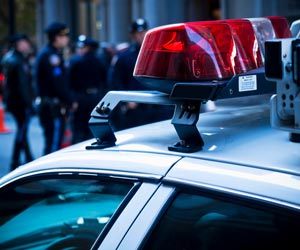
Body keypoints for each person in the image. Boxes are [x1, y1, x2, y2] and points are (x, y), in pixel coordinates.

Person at [107, 18, 172, 130]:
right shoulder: (124, 57)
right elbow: (116, 81)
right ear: (133, 35)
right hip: (136, 107)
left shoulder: (158, 54)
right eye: (139, 33)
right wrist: (126, 101)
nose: (142, 36)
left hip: (157, 106)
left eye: (144, 33)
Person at [34, 22, 76, 155]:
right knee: (53, 146)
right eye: (64, 36)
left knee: (52, 142)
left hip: (51, 106)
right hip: (52, 107)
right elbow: (58, 84)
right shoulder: (51, 56)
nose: (67, 39)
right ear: (57, 38)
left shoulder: (50, 54)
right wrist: (70, 100)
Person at [1, 34, 34, 170]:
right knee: (22, 130)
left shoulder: (11, 58)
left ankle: (28, 157)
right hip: (20, 102)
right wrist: (29, 104)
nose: (26, 45)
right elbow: (22, 86)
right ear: (18, 44)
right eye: (24, 42)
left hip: (14, 101)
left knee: (22, 129)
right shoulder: (17, 60)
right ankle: (15, 161)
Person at [68, 35, 107, 143]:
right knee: (86, 128)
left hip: (87, 98)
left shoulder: (76, 61)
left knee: (82, 129)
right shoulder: (98, 60)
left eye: (82, 48)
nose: (80, 50)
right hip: (88, 97)